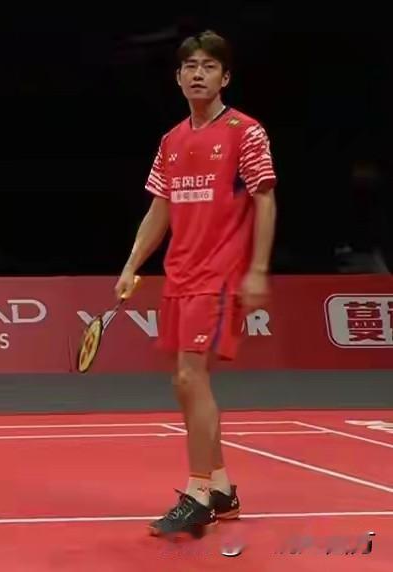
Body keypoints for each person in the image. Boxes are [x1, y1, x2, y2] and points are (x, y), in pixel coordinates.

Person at [115, 30, 277, 538]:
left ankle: (199, 492)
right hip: (180, 274)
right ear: (178, 77)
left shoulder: (245, 132)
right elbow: (159, 208)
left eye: (209, 66)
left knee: (190, 376)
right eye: (190, 66)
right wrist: (132, 264)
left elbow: (265, 199)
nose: (198, 74)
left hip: (220, 272)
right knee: (186, 384)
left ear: (225, 77)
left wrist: (257, 269)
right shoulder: (172, 140)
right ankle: (222, 488)